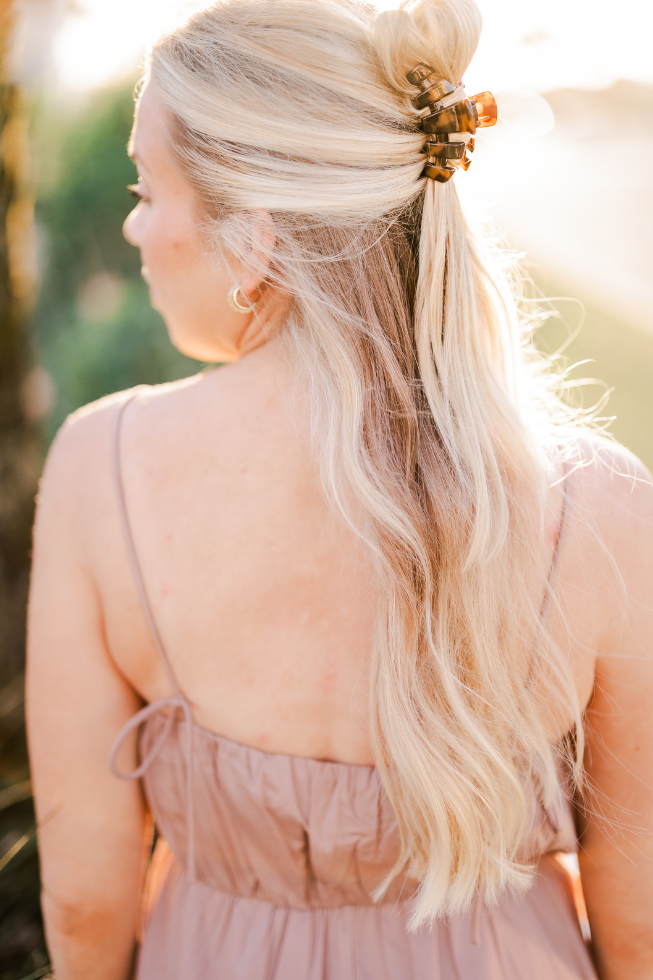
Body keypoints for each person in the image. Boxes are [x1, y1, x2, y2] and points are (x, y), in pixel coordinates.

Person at [26, 0, 653, 978]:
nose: (133, 225)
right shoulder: (600, 504)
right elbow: (640, 917)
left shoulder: (98, 468)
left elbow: (84, 900)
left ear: (255, 240)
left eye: (148, 189)